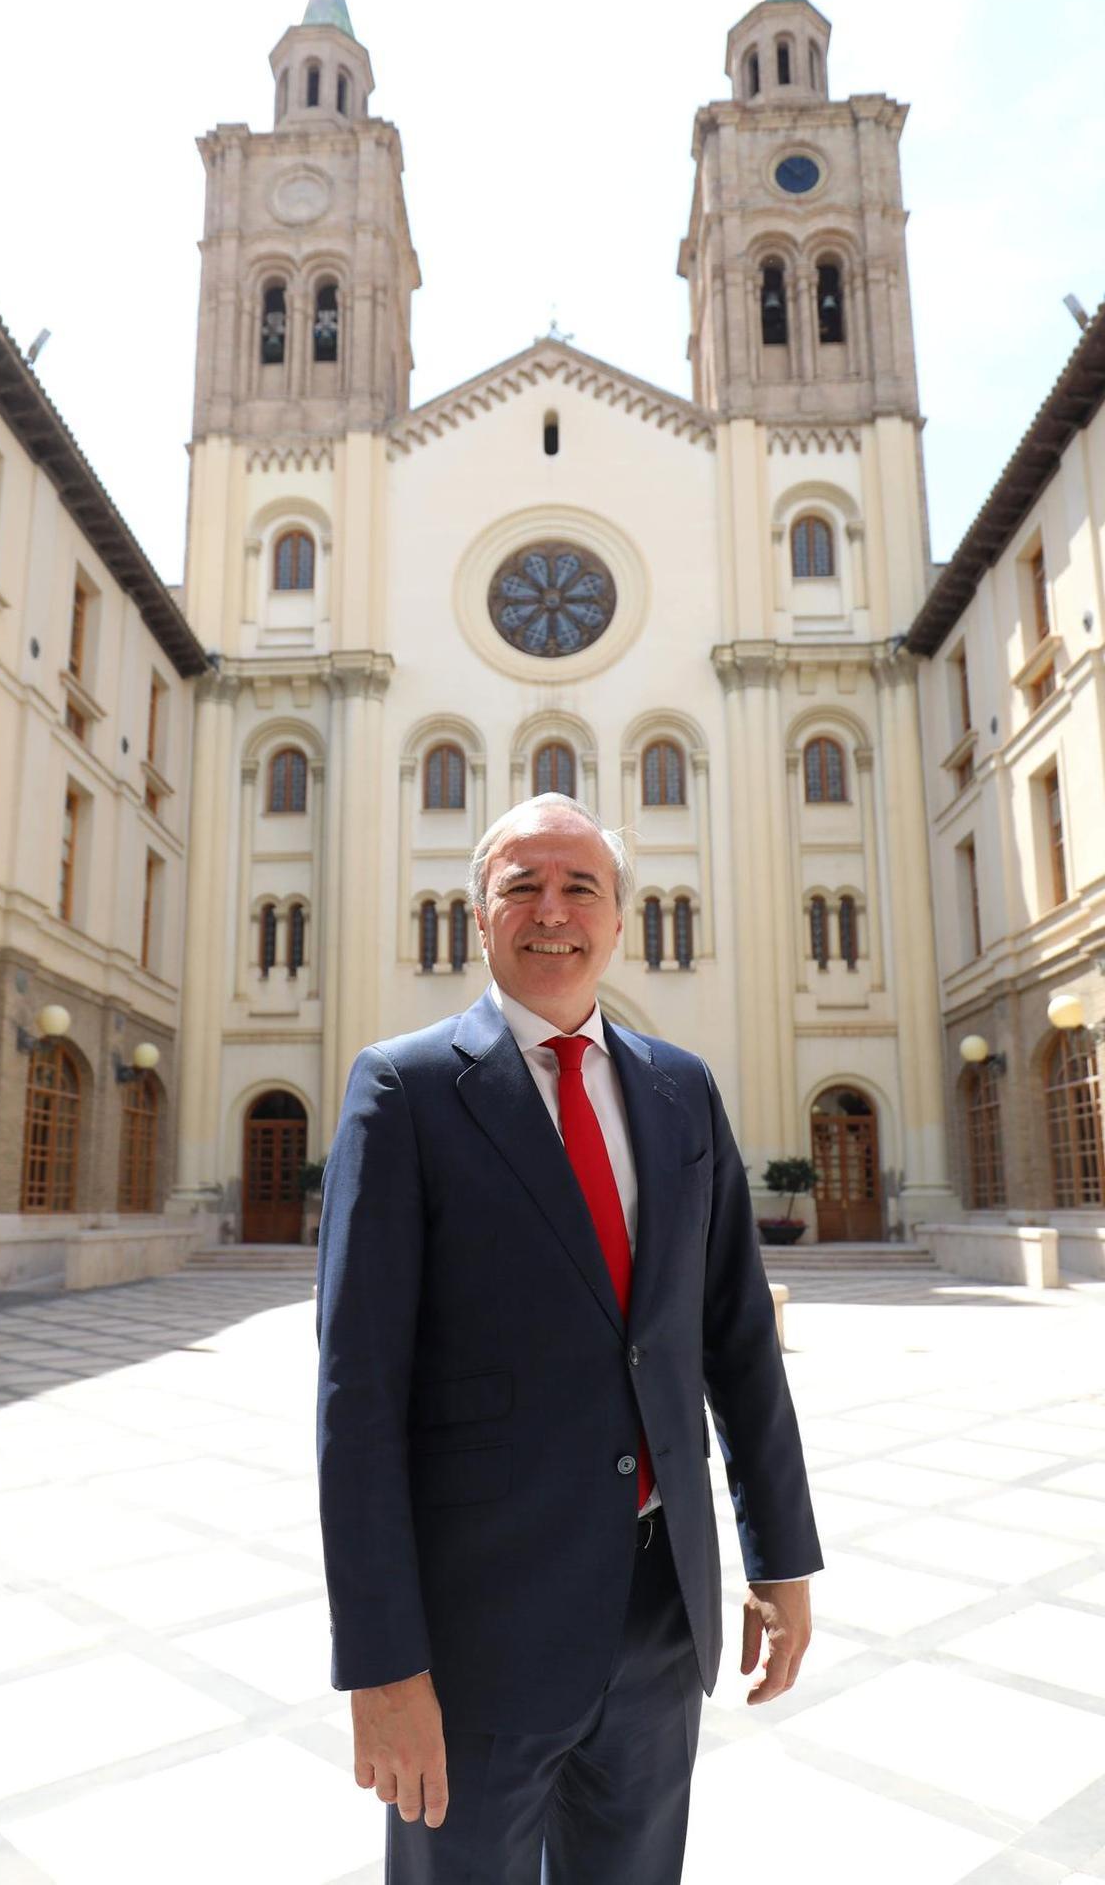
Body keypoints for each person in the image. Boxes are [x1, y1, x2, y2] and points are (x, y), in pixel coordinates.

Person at [316, 795, 822, 1884]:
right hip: (475, 1637)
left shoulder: (682, 1091)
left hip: (659, 1620)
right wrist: (383, 1665)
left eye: (579, 886)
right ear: (479, 916)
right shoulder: (402, 1090)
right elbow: (358, 1398)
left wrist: (782, 1557)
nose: (552, 912)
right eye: (522, 887)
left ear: (620, 917)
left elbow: (735, 1339)